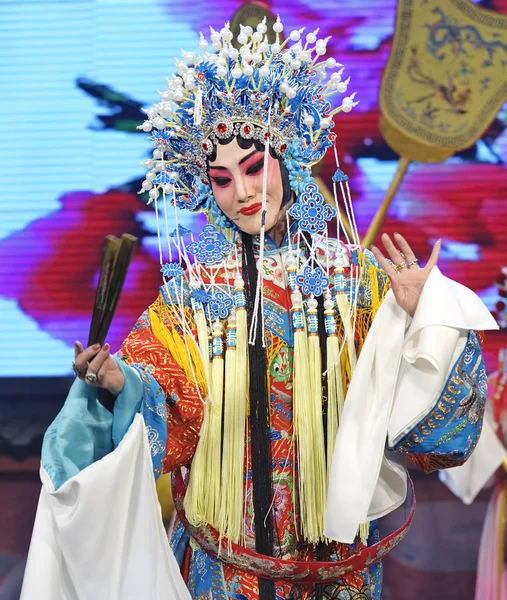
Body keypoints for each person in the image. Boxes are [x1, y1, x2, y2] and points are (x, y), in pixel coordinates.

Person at [21, 16, 498, 600]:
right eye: (222, 179)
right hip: (224, 566)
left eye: (254, 167)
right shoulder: (192, 295)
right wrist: (125, 382)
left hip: (333, 566)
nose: (244, 192)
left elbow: (430, 437)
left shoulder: (357, 279)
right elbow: (171, 406)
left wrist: (426, 321)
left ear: (289, 156)